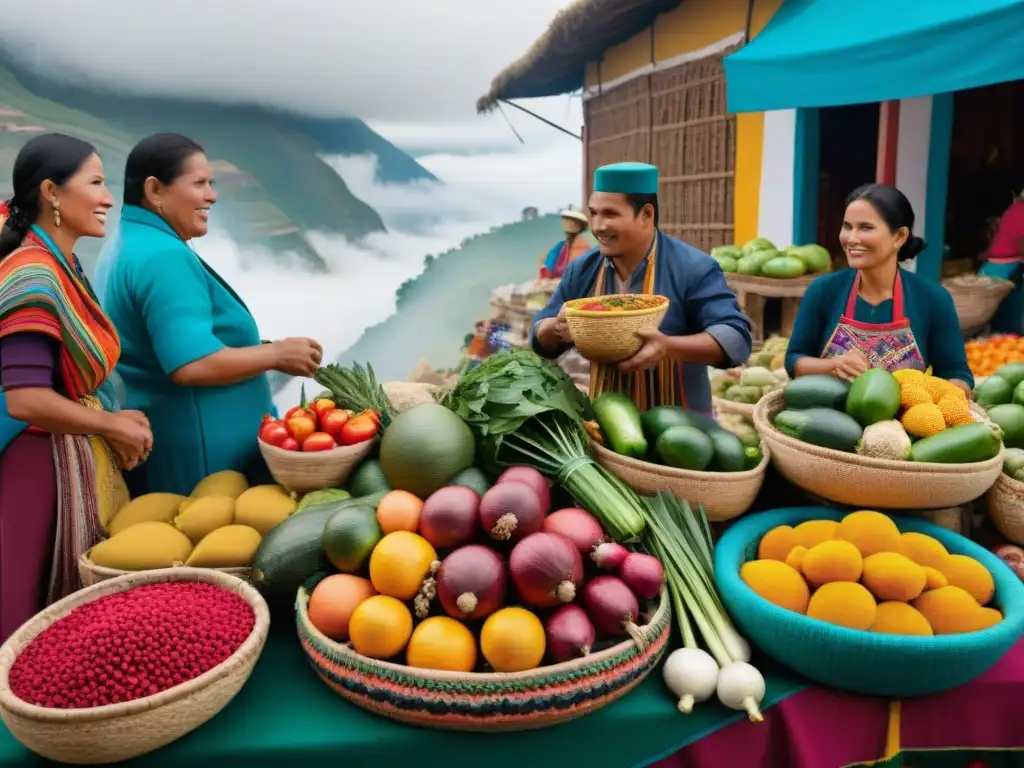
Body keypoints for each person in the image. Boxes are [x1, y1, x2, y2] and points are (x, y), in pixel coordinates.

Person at [94, 133, 323, 498]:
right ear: (155, 191)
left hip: (173, 442)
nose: (211, 195)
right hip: (207, 463)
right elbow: (191, 365)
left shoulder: (126, 241)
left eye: (210, 183)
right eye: (199, 183)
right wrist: (277, 355)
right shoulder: (163, 257)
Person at [0, 133, 154, 642]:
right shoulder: (33, 275)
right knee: (25, 620)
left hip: (55, 454)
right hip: (31, 470)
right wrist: (109, 422)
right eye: (96, 182)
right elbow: (24, 398)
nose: (108, 197)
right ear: (52, 192)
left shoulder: (62, 263)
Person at [531, 162, 752, 414]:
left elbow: (736, 338)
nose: (598, 226)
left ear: (646, 214)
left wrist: (669, 346)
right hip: (606, 425)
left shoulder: (694, 268)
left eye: (610, 214)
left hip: (684, 432)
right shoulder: (582, 270)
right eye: (593, 213)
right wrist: (554, 328)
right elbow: (540, 334)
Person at [786, 184, 973, 395]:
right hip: (830, 422)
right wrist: (833, 365)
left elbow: (958, 375)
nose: (852, 238)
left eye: (866, 227)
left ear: (900, 237)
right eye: (847, 226)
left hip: (905, 426)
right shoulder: (823, 291)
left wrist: (944, 393)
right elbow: (794, 360)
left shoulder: (933, 299)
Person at [979, 187, 1024, 334]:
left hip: (994, 265)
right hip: (1008, 266)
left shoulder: (1012, 209)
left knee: (992, 309)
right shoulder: (1020, 211)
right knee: (1009, 312)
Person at [538, 209, 591, 279]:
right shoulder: (561, 246)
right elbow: (548, 263)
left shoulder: (582, 245)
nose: (567, 224)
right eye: (565, 220)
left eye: (571, 221)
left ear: (579, 226)